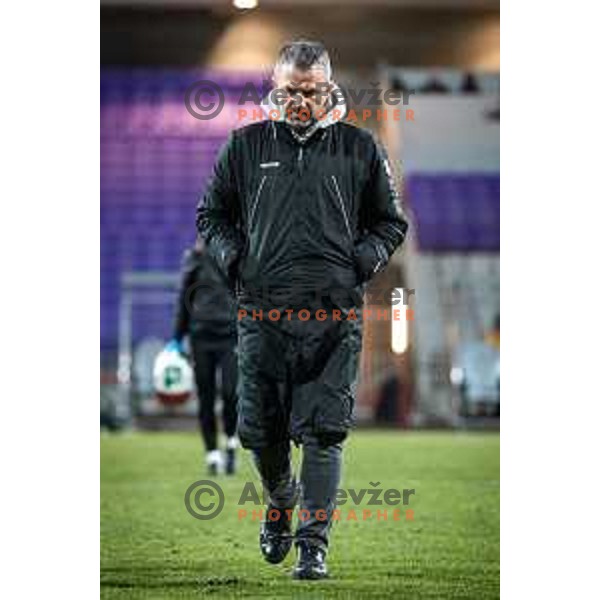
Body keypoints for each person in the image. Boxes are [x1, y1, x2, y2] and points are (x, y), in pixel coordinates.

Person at [197, 40, 409, 579]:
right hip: (262, 317)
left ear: (328, 89)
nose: (299, 100)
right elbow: (211, 216)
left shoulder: (360, 148)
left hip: (334, 317)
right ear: (275, 87)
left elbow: (391, 223)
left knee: (324, 432)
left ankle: (313, 548)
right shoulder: (243, 147)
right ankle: (278, 500)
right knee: (259, 432)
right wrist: (236, 260)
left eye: (310, 91)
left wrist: (359, 262)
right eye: (289, 90)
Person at [166, 236, 239, 475]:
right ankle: (212, 454)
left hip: (230, 334)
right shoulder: (194, 259)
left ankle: (230, 441)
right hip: (201, 336)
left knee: (230, 393)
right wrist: (177, 337)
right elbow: (184, 298)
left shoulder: (235, 254)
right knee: (206, 397)